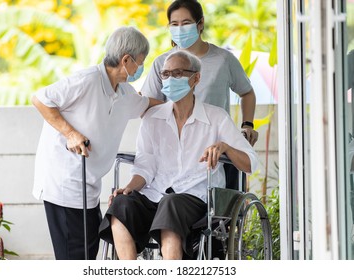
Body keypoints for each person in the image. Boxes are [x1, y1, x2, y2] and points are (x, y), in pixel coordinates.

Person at [99, 50, 258, 260]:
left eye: (177, 73)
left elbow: (250, 163)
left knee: (171, 204)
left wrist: (225, 147)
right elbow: (145, 166)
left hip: (196, 199)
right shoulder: (153, 118)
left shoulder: (216, 117)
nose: (170, 79)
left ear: (196, 78)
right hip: (156, 195)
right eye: (165, 74)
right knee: (121, 204)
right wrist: (129, 188)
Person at [32, 26, 161, 260]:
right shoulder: (87, 80)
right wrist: (70, 133)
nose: (141, 67)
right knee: (75, 258)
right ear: (126, 60)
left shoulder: (124, 93)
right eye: (141, 62)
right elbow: (41, 99)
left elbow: (147, 103)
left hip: (89, 188)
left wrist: (181, 104)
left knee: (89, 253)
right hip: (64, 183)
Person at [141, 0, 259, 146]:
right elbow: (147, 105)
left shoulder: (223, 60)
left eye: (185, 23)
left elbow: (247, 92)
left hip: (215, 145)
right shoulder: (161, 63)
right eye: (174, 24)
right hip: (175, 144)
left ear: (200, 23)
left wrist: (247, 124)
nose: (180, 29)